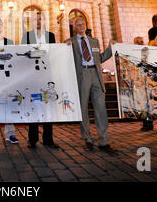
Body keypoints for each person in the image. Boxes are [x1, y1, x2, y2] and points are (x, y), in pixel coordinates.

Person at [65, 16, 117, 155]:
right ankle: (87, 139)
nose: (81, 26)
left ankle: (104, 141)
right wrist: (65, 46)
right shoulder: (71, 42)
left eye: (83, 24)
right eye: (78, 24)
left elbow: (99, 58)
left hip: (96, 74)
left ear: (86, 25)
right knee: (83, 109)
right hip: (82, 75)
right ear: (75, 27)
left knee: (101, 109)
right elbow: (65, 57)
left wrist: (110, 48)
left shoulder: (94, 41)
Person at [21, 11, 59, 148]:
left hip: (47, 77)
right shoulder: (27, 36)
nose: (38, 21)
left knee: (48, 108)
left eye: (40, 19)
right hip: (32, 77)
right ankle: (32, 140)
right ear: (32, 22)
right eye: (35, 19)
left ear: (44, 21)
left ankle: (48, 139)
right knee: (34, 106)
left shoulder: (51, 36)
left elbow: (54, 54)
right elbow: (25, 55)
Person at [133, 36, 154, 131]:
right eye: (137, 42)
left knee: (149, 104)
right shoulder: (133, 54)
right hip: (139, 83)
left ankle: (149, 124)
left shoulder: (148, 53)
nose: (140, 43)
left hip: (148, 82)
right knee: (143, 105)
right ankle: (147, 124)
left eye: (141, 41)